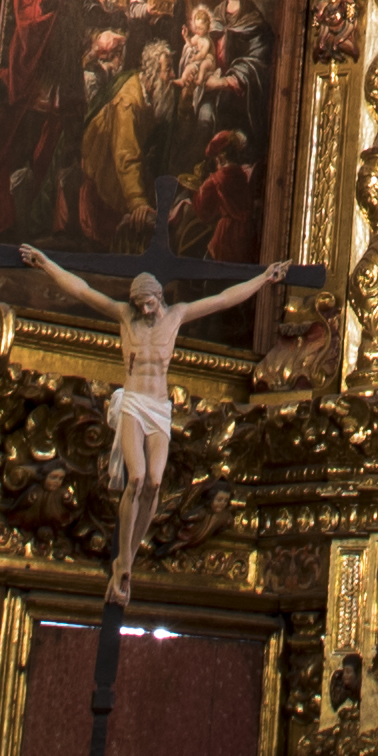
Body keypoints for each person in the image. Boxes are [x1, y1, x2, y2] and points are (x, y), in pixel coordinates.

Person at [21, 251, 306, 594]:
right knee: (137, 477)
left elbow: (223, 299)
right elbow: (83, 291)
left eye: (150, 304)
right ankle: (123, 560)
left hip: (158, 407)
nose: (145, 311)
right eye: (140, 305)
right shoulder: (125, 316)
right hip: (133, 403)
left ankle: (129, 557)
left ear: (160, 298)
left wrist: (264, 279)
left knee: (155, 482)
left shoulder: (177, 315)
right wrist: (47, 264)